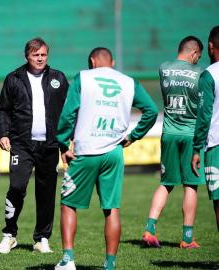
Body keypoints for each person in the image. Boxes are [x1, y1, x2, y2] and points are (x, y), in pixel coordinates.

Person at [55, 47, 158, 270]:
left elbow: (68, 113)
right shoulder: (129, 82)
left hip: (85, 151)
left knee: (68, 204)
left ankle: (68, 260)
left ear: (92, 61)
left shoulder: (83, 77)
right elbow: (151, 110)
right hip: (114, 152)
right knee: (111, 209)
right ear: (111, 62)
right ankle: (110, 264)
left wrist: (64, 143)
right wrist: (134, 136)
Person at [0, 37, 69, 254]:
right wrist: (3, 133)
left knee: (46, 192)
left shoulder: (58, 78)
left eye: (43, 54)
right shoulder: (14, 78)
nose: (39, 58)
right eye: (35, 55)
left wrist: (67, 139)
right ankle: (9, 234)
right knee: (17, 187)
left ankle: (42, 239)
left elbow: (70, 109)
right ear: (26, 56)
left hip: (49, 145)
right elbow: (2, 109)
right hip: (21, 144)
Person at [142, 36, 204, 249]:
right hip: (190, 134)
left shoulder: (164, 68)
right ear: (194, 53)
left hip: (168, 132)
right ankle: (187, 238)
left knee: (166, 183)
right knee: (191, 185)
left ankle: (149, 229)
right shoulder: (200, 74)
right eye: (198, 57)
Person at [192, 25, 219, 231]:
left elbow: (204, 115)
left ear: (210, 46)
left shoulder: (210, 75)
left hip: (216, 146)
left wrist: (196, 149)